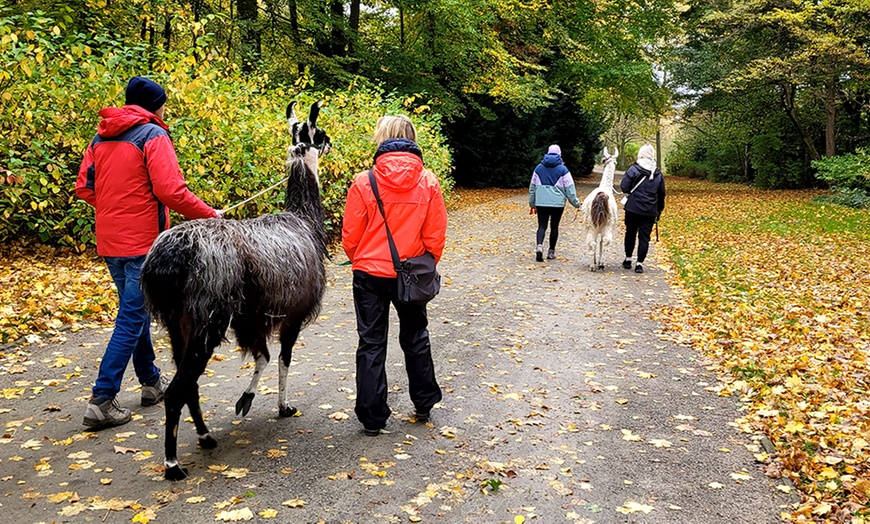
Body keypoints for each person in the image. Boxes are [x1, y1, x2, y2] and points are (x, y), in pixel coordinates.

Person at [76, 76, 220, 430]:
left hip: (110, 242)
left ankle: (151, 382)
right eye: (164, 103)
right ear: (154, 104)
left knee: (135, 312)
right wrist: (211, 215)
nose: (165, 108)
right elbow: (171, 191)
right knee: (132, 317)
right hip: (144, 244)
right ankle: (102, 399)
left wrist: (113, 209)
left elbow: (85, 187)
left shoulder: (100, 137)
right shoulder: (152, 135)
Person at [342, 115, 447, 436]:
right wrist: (423, 265)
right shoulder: (428, 182)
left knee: (371, 342)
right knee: (416, 336)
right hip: (411, 273)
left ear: (382, 138)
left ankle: (372, 417)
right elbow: (435, 237)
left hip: (369, 275)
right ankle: (424, 400)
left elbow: (350, 237)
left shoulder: (364, 182)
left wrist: (362, 259)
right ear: (412, 138)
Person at [528, 144, 581, 261]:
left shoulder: (538, 168)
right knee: (554, 227)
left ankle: (539, 246)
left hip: (541, 203)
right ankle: (551, 252)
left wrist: (532, 204)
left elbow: (532, 188)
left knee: (542, 226)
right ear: (559, 155)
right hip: (557, 204)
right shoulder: (563, 170)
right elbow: (570, 189)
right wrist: (576, 203)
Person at [620, 144, 666, 274]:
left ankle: (628, 259)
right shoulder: (658, 174)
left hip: (633, 208)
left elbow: (624, 186)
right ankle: (639, 263)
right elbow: (661, 194)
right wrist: (659, 210)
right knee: (644, 237)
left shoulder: (634, 169)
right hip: (650, 210)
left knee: (630, 233)